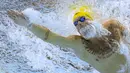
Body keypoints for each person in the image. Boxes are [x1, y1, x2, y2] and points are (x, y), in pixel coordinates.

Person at [8, 6, 130, 73]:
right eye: (76, 24)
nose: (80, 24)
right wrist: (28, 24)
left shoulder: (113, 26)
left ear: (92, 20)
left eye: (82, 19)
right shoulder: (79, 44)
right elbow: (50, 36)